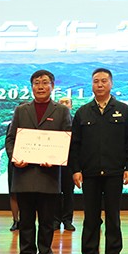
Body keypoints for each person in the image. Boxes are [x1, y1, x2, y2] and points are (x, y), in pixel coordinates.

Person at [69, 68, 128, 254]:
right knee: (90, 218)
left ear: (111, 84)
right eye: (96, 81)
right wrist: (76, 170)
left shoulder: (123, 110)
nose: (99, 85)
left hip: (114, 172)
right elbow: (75, 145)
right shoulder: (83, 112)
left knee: (113, 218)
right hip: (89, 173)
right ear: (91, 84)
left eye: (104, 81)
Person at [6, 70, 72, 254]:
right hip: (24, 174)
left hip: (49, 176)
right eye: (36, 83)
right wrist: (15, 157)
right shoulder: (21, 110)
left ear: (52, 86)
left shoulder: (61, 111)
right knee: (25, 221)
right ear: (31, 86)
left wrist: (56, 158)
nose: (40, 86)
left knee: (46, 222)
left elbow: (68, 139)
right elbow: (10, 139)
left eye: (45, 82)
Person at [55, 96, 76, 231]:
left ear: (71, 106)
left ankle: (67, 220)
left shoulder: (76, 121)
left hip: (70, 161)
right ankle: (55, 220)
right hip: (54, 161)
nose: (64, 104)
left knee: (69, 192)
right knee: (55, 192)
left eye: (66, 102)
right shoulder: (53, 120)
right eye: (61, 102)